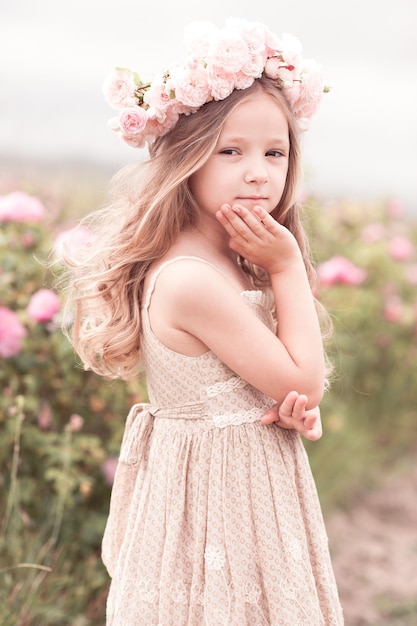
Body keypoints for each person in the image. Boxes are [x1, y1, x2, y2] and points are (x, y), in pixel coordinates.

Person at [61, 18, 343, 625]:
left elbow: (287, 382)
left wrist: (289, 407)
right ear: (188, 158)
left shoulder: (237, 260)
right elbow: (306, 377)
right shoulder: (192, 278)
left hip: (253, 485)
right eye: (231, 151)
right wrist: (290, 270)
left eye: (275, 153)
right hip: (213, 501)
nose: (258, 173)